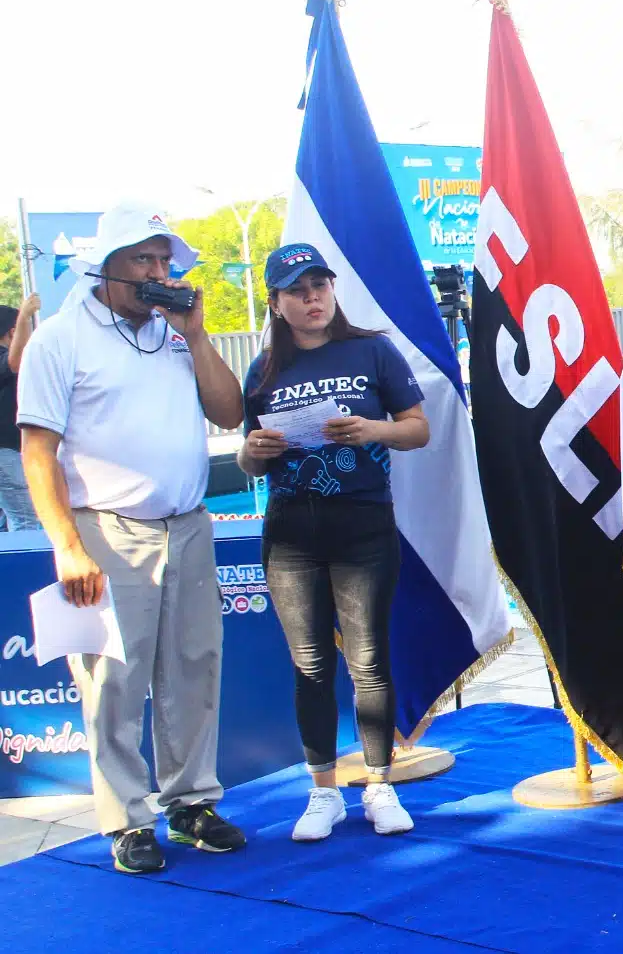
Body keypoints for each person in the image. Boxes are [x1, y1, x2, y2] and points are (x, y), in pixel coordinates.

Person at [16, 202, 248, 873]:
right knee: (113, 679)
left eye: (164, 262)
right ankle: (127, 819)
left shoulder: (175, 335)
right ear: (106, 268)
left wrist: (197, 337)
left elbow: (229, 410)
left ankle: (191, 801)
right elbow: (37, 451)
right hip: (107, 529)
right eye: (143, 260)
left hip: (188, 524)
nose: (157, 273)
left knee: (195, 665)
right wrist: (67, 545)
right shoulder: (60, 340)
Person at [236, 243, 430, 841]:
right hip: (291, 531)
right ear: (276, 303)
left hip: (362, 522)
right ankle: (323, 790)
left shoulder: (372, 350)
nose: (312, 298)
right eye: (297, 290)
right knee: (311, 663)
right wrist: (252, 452)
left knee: (368, 659)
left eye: (319, 286)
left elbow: (418, 429)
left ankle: (379, 784)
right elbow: (249, 458)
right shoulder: (263, 369)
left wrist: (371, 429)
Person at [0, 295, 42, 530]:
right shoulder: (4, 358)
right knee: (26, 521)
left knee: (13, 521)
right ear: (12, 331)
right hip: (4, 452)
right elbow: (14, 362)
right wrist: (25, 316)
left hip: (10, 452)